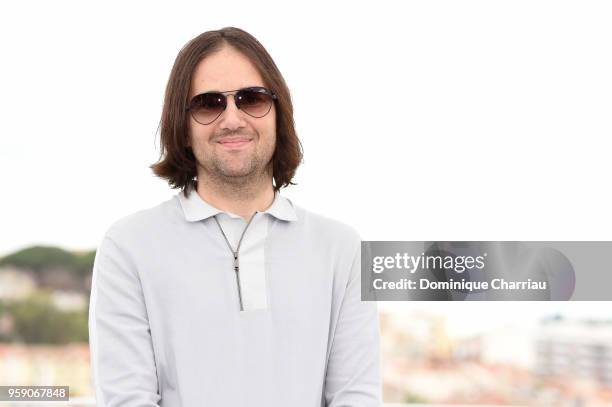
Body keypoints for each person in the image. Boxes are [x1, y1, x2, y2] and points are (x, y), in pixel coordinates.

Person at [88, 26, 381, 407]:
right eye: (209, 104)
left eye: (252, 99)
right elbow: (127, 399)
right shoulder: (128, 247)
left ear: (278, 112)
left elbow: (355, 398)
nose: (232, 119)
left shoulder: (344, 249)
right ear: (183, 122)